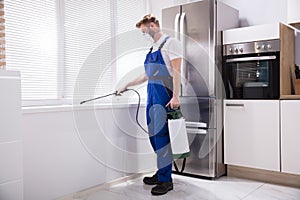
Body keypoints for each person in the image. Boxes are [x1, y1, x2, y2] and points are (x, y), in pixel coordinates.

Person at [117, 14, 182, 195]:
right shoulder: (152, 48)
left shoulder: (171, 43)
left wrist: (176, 96)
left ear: (152, 26)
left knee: (161, 136)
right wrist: (126, 84)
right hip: (151, 94)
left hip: (164, 94)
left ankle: (165, 180)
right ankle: (162, 171)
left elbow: (177, 71)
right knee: (154, 136)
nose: (144, 35)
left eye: (144, 31)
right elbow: (146, 75)